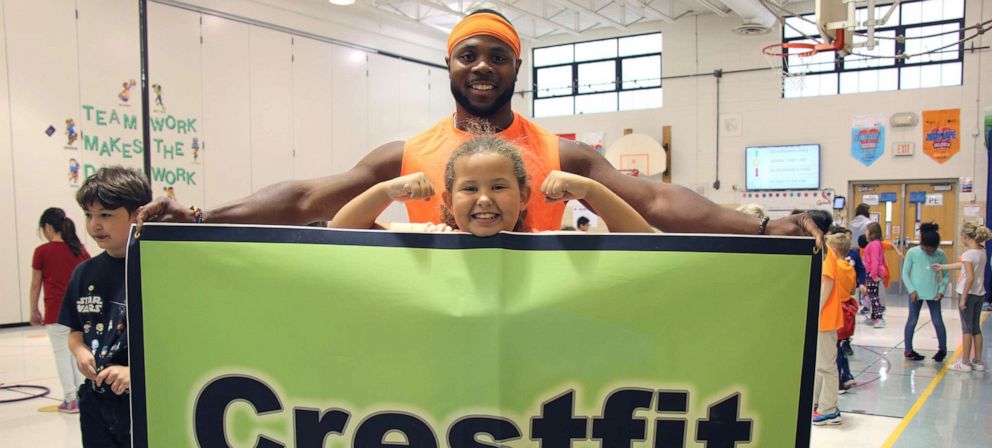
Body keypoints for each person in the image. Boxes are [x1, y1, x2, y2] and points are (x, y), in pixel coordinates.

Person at [135, 10, 822, 244]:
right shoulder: (408, 153)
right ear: (450, 65)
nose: (484, 65)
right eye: (471, 54)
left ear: (517, 66)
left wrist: (762, 226)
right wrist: (201, 218)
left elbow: (659, 203)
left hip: (533, 329)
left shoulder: (564, 152)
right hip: (433, 330)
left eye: (498, 55)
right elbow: (313, 200)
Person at [58, 167, 152, 448]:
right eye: (89, 215)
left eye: (106, 215)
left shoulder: (158, 267)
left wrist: (136, 373)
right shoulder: (85, 273)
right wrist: (80, 352)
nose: (95, 225)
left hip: (143, 407)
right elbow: (75, 330)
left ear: (137, 215)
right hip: (97, 406)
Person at [329, 135, 653, 235]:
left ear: (524, 197)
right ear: (448, 198)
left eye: (499, 187)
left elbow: (645, 244)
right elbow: (340, 231)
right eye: (469, 189)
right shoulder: (430, 239)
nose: (484, 199)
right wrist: (383, 191)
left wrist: (593, 191)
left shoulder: (546, 245)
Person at [29, 207, 91, 412]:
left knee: (62, 355)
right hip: (80, 313)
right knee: (79, 353)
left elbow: (36, 284)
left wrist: (33, 310)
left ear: (48, 227)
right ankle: (83, 395)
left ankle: (70, 398)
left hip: (56, 313)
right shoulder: (79, 250)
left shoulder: (42, 252)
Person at [934, 223, 991, 371]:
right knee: (976, 328)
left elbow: (969, 277)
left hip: (968, 293)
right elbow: (965, 267)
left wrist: (964, 297)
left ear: (966, 237)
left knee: (966, 329)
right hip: (980, 294)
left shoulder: (968, 254)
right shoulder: (982, 251)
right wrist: (943, 267)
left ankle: (965, 362)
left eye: (961, 237)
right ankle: (978, 361)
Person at [813, 232, 851, 426]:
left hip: (825, 319)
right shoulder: (830, 258)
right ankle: (821, 403)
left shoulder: (827, 257)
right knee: (821, 364)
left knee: (826, 366)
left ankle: (829, 409)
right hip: (825, 320)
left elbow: (827, 283)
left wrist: (815, 310)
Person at [901, 223, 948, 362]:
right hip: (916, 294)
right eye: (928, 249)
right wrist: (911, 290)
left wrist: (942, 290)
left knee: (938, 321)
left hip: (934, 294)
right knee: (912, 321)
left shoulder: (941, 254)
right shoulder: (913, 253)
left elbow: (945, 274)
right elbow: (905, 273)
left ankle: (943, 349)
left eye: (933, 250)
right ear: (923, 244)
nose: (931, 252)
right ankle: (908, 350)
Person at [828, 232, 858, 395]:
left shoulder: (834, 266)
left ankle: (838, 383)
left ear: (835, 250)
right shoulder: (849, 268)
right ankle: (847, 376)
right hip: (848, 311)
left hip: (836, 310)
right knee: (840, 346)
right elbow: (853, 289)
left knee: (833, 349)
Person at [862, 222, 888, 327]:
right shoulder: (877, 244)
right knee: (873, 295)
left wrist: (873, 275)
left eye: (866, 230)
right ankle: (874, 316)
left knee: (873, 296)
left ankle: (878, 318)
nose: (865, 232)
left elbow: (875, 261)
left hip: (873, 273)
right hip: (874, 273)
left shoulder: (873, 245)